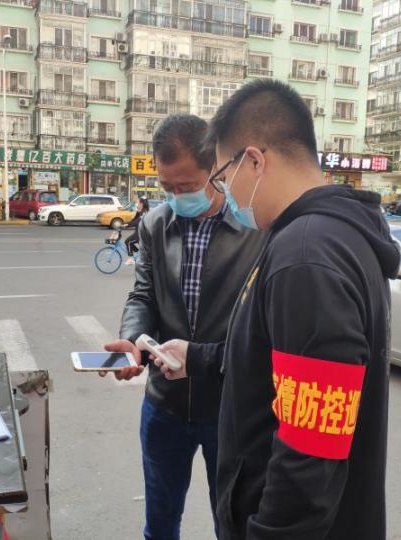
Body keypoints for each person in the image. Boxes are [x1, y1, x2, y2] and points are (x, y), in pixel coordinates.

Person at [155, 80, 400, 539]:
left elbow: (311, 449)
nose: (224, 192)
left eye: (223, 177)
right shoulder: (325, 237)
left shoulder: (306, 255)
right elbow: (276, 359)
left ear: (253, 160)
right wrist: (197, 357)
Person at [102, 114, 263, 540]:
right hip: (165, 405)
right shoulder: (156, 224)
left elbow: (261, 324)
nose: (176, 196)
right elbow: (143, 295)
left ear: (214, 170)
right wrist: (133, 341)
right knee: (160, 522)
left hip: (228, 408)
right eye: (166, 187)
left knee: (232, 522)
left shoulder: (253, 230)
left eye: (187, 185)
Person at [124, 197, 149, 265]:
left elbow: (137, 221)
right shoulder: (140, 211)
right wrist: (126, 224)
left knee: (128, 242)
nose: (137, 204)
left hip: (142, 234)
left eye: (139, 203)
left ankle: (131, 259)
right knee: (129, 242)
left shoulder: (145, 212)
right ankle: (139, 255)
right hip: (138, 233)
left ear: (142, 204)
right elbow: (134, 219)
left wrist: (128, 225)